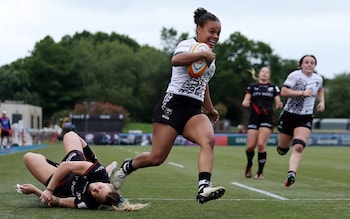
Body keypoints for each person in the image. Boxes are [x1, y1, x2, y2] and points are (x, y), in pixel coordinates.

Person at [111, 7, 225, 204]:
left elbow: (203, 84)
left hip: (193, 109)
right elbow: (176, 60)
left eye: (218, 33)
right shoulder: (189, 45)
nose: (215, 36)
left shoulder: (211, 60)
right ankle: (127, 167)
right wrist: (202, 55)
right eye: (211, 31)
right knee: (157, 158)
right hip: (173, 104)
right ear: (199, 29)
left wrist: (211, 109)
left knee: (209, 140)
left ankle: (203, 187)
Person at [17, 131, 147, 210]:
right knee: (70, 135)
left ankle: (105, 168)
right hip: (75, 165)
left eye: (96, 194)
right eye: (100, 187)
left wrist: (36, 190)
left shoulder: (88, 203)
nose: (94, 190)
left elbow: (57, 201)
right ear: (107, 183)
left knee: (28, 157)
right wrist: (48, 190)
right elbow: (65, 166)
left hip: (61, 184)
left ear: (97, 201)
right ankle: (106, 169)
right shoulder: (99, 175)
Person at [276, 55, 325, 187]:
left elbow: (320, 89)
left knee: (298, 147)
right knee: (282, 150)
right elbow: (284, 91)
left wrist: (321, 102)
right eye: (307, 62)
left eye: (312, 63)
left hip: (305, 116)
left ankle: (291, 174)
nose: (310, 65)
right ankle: (282, 148)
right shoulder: (295, 76)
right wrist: (302, 93)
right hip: (289, 115)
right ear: (301, 65)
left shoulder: (318, 78)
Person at [242, 67, 283, 179]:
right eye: (263, 72)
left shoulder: (273, 87)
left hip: (267, 118)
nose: (265, 74)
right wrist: (245, 102)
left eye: (267, 72)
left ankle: (260, 172)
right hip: (254, 118)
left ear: (269, 75)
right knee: (250, 146)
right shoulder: (252, 86)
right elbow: (246, 99)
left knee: (261, 144)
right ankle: (249, 164)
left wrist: (279, 104)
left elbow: (278, 101)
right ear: (259, 74)